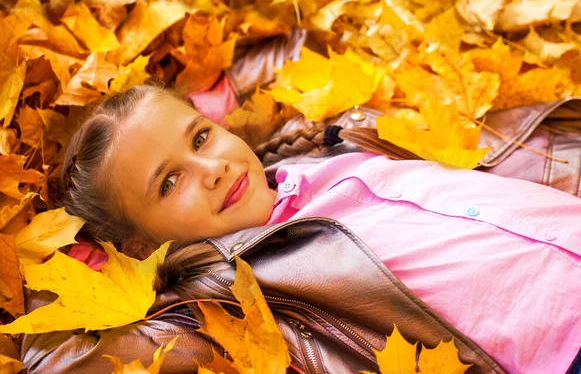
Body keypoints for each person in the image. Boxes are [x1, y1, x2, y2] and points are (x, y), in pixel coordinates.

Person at [19, 31, 581, 374]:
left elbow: (287, 46)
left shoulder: (316, 149)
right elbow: (63, 362)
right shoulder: (230, 295)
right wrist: (77, 255)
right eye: (169, 183)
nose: (212, 169)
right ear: (142, 244)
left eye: (199, 137)